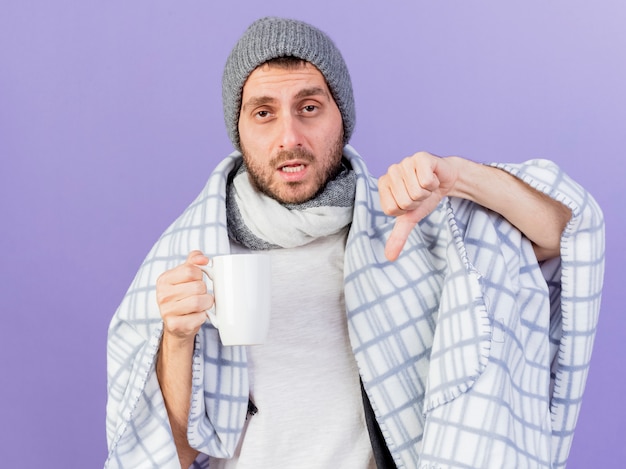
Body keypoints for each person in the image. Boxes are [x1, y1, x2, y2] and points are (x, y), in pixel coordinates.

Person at [105, 16, 605, 469]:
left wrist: (459, 179)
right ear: (238, 129)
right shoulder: (191, 254)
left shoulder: (406, 225)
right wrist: (176, 338)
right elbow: (172, 452)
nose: (289, 137)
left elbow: (565, 233)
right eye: (263, 113)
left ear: (342, 117)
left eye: (309, 107)